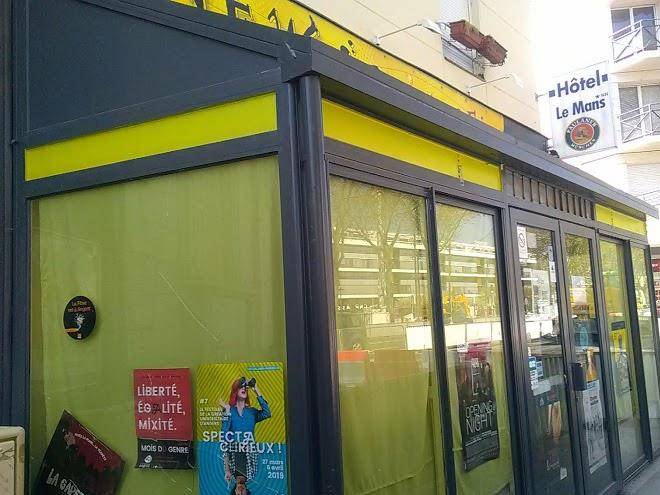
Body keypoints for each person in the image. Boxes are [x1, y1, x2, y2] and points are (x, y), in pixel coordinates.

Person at [219, 377, 271, 492]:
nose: (244, 389)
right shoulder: (229, 410)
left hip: (244, 451)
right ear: (235, 391)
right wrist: (227, 411)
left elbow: (267, 413)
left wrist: (256, 389)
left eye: (245, 387)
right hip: (240, 451)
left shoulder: (251, 412)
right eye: (240, 387)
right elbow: (224, 435)